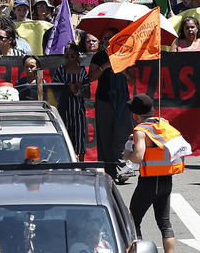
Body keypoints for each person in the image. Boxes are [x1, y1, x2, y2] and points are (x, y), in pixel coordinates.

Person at [124, 94, 190, 253]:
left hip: (148, 182)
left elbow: (138, 156)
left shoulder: (140, 130)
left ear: (136, 115)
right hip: (167, 180)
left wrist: (128, 156)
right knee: (165, 223)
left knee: (133, 221)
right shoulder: (163, 123)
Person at [88, 27, 135, 183]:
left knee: (121, 136)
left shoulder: (126, 55)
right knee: (105, 138)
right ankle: (108, 172)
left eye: (112, 37)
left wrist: (124, 71)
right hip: (104, 101)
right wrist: (105, 66)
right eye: (106, 37)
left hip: (122, 102)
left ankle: (121, 169)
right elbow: (91, 78)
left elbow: (133, 80)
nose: (108, 40)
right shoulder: (99, 56)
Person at [52, 44, 90, 160]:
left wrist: (80, 89)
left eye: (72, 56)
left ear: (77, 56)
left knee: (79, 139)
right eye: (67, 56)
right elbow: (55, 91)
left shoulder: (82, 72)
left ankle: (81, 165)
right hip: (63, 110)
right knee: (64, 137)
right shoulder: (60, 71)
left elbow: (88, 94)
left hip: (78, 110)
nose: (69, 59)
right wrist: (68, 88)